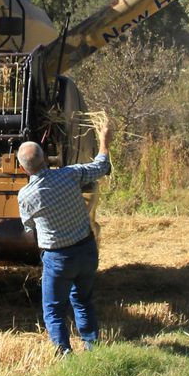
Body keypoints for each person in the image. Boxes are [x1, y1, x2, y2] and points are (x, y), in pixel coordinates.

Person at [16, 120, 112, 355]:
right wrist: (104, 141)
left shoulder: (26, 196)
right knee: (82, 300)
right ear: (46, 159)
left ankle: (64, 352)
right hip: (87, 251)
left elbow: (28, 227)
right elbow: (102, 166)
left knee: (54, 309)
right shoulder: (71, 175)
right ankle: (92, 345)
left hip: (59, 258)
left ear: (22, 169)